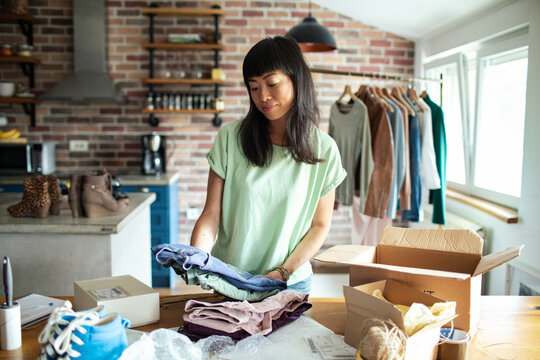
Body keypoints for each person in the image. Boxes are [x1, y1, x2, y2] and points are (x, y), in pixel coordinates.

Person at [190, 36, 346, 293]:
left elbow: (320, 226)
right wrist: (197, 258)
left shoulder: (324, 149)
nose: (263, 96)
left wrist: (284, 271)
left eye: (272, 83)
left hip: (290, 282)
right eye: (253, 87)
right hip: (231, 280)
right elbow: (210, 215)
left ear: (296, 79)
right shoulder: (230, 139)